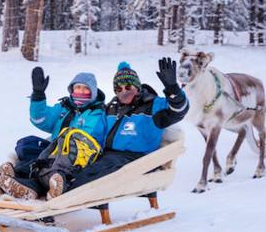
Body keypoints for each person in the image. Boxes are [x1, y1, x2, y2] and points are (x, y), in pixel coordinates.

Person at [51, 58, 189, 197]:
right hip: (106, 155)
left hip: (137, 159)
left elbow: (179, 110)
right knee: (76, 164)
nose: (124, 91)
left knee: (95, 170)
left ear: (137, 87)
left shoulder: (153, 105)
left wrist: (173, 89)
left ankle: (63, 194)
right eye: (118, 88)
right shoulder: (111, 109)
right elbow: (96, 136)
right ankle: (50, 184)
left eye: (128, 87)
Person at [0, 66, 107, 199]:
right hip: (53, 149)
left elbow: (85, 139)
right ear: (72, 89)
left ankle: (19, 180)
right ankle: (6, 181)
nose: (81, 91)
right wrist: (38, 96)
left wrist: (59, 147)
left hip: (75, 156)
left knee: (45, 163)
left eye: (85, 88)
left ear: (93, 92)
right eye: (77, 87)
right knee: (27, 144)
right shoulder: (65, 107)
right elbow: (40, 119)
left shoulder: (96, 114)